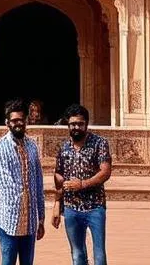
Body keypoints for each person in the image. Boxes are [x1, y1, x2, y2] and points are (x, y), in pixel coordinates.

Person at [52, 103, 112, 265]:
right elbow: (59, 176)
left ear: (86, 123)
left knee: (99, 256)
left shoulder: (99, 143)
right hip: (71, 208)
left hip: (95, 206)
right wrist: (57, 205)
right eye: (73, 124)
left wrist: (83, 184)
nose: (76, 127)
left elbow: (105, 172)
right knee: (77, 254)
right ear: (68, 125)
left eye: (80, 123)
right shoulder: (64, 148)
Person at [0, 99, 45, 265]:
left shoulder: (32, 146)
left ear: (26, 120)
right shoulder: (0, 148)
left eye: (21, 119)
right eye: (14, 120)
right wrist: (26, 199)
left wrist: (40, 218)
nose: (19, 123)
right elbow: (5, 185)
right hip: (9, 222)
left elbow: (38, 183)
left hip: (29, 225)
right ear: (7, 122)